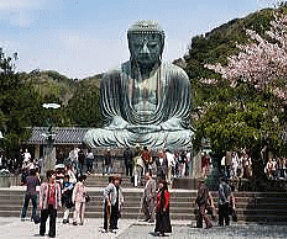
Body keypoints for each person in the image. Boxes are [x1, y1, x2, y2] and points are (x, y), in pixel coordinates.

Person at [83, 20, 193, 150]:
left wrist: (162, 127)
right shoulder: (114, 75)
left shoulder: (177, 76)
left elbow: (180, 118)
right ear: (130, 46)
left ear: (161, 46)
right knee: (92, 137)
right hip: (127, 132)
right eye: (138, 46)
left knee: (188, 137)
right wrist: (124, 125)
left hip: (161, 132)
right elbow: (110, 117)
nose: (145, 51)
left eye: (152, 46)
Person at [39, 170, 62, 238]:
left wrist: (59, 202)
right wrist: (41, 203)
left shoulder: (57, 185)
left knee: (53, 218)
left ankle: (52, 233)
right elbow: (41, 195)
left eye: (54, 175)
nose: (54, 177)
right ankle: (42, 231)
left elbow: (59, 195)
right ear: (49, 177)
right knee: (44, 218)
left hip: (53, 203)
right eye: (53, 175)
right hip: (46, 203)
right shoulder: (44, 185)